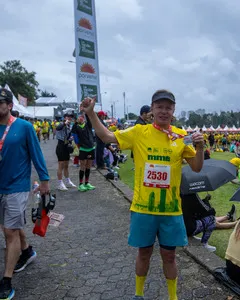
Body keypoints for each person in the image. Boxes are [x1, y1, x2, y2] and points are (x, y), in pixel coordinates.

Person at [81, 89, 204, 300]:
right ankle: (138, 294)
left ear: (173, 110)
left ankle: (172, 297)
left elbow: (197, 167)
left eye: (168, 107)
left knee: (170, 256)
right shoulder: (139, 132)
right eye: (159, 107)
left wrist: (200, 148)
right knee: (143, 253)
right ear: (152, 109)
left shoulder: (181, 136)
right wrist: (91, 113)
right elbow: (106, 136)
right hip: (143, 208)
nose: (164, 111)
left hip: (171, 210)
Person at [0, 88, 50, 300]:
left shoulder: (24, 127)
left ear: (9, 105)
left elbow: (36, 153)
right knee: (8, 226)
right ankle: (27, 251)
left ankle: (6, 281)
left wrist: (45, 180)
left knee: (9, 231)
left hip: (17, 187)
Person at [71, 114, 95, 192]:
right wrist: (75, 122)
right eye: (79, 117)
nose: (81, 118)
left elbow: (90, 120)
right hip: (83, 149)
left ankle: (87, 183)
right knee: (82, 166)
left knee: (88, 166)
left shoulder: (88, 125)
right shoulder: (76, 126)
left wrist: (86, 113)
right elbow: (74, 135)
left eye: (82, 117)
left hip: (91, 148)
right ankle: (80, 184)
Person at [55, 113, 76, 191]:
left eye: (71, 117)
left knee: (66, 165)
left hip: (66, 146)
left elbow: (69, 136)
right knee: (61, 164)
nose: (70, 118)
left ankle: (67, 181)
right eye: (68, 117)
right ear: (64, 117)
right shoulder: (61, 123)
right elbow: (58, 128)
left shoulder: (69, 126)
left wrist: (70, 139)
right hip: (60, 146)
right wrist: (64, 123)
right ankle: (60, 183)